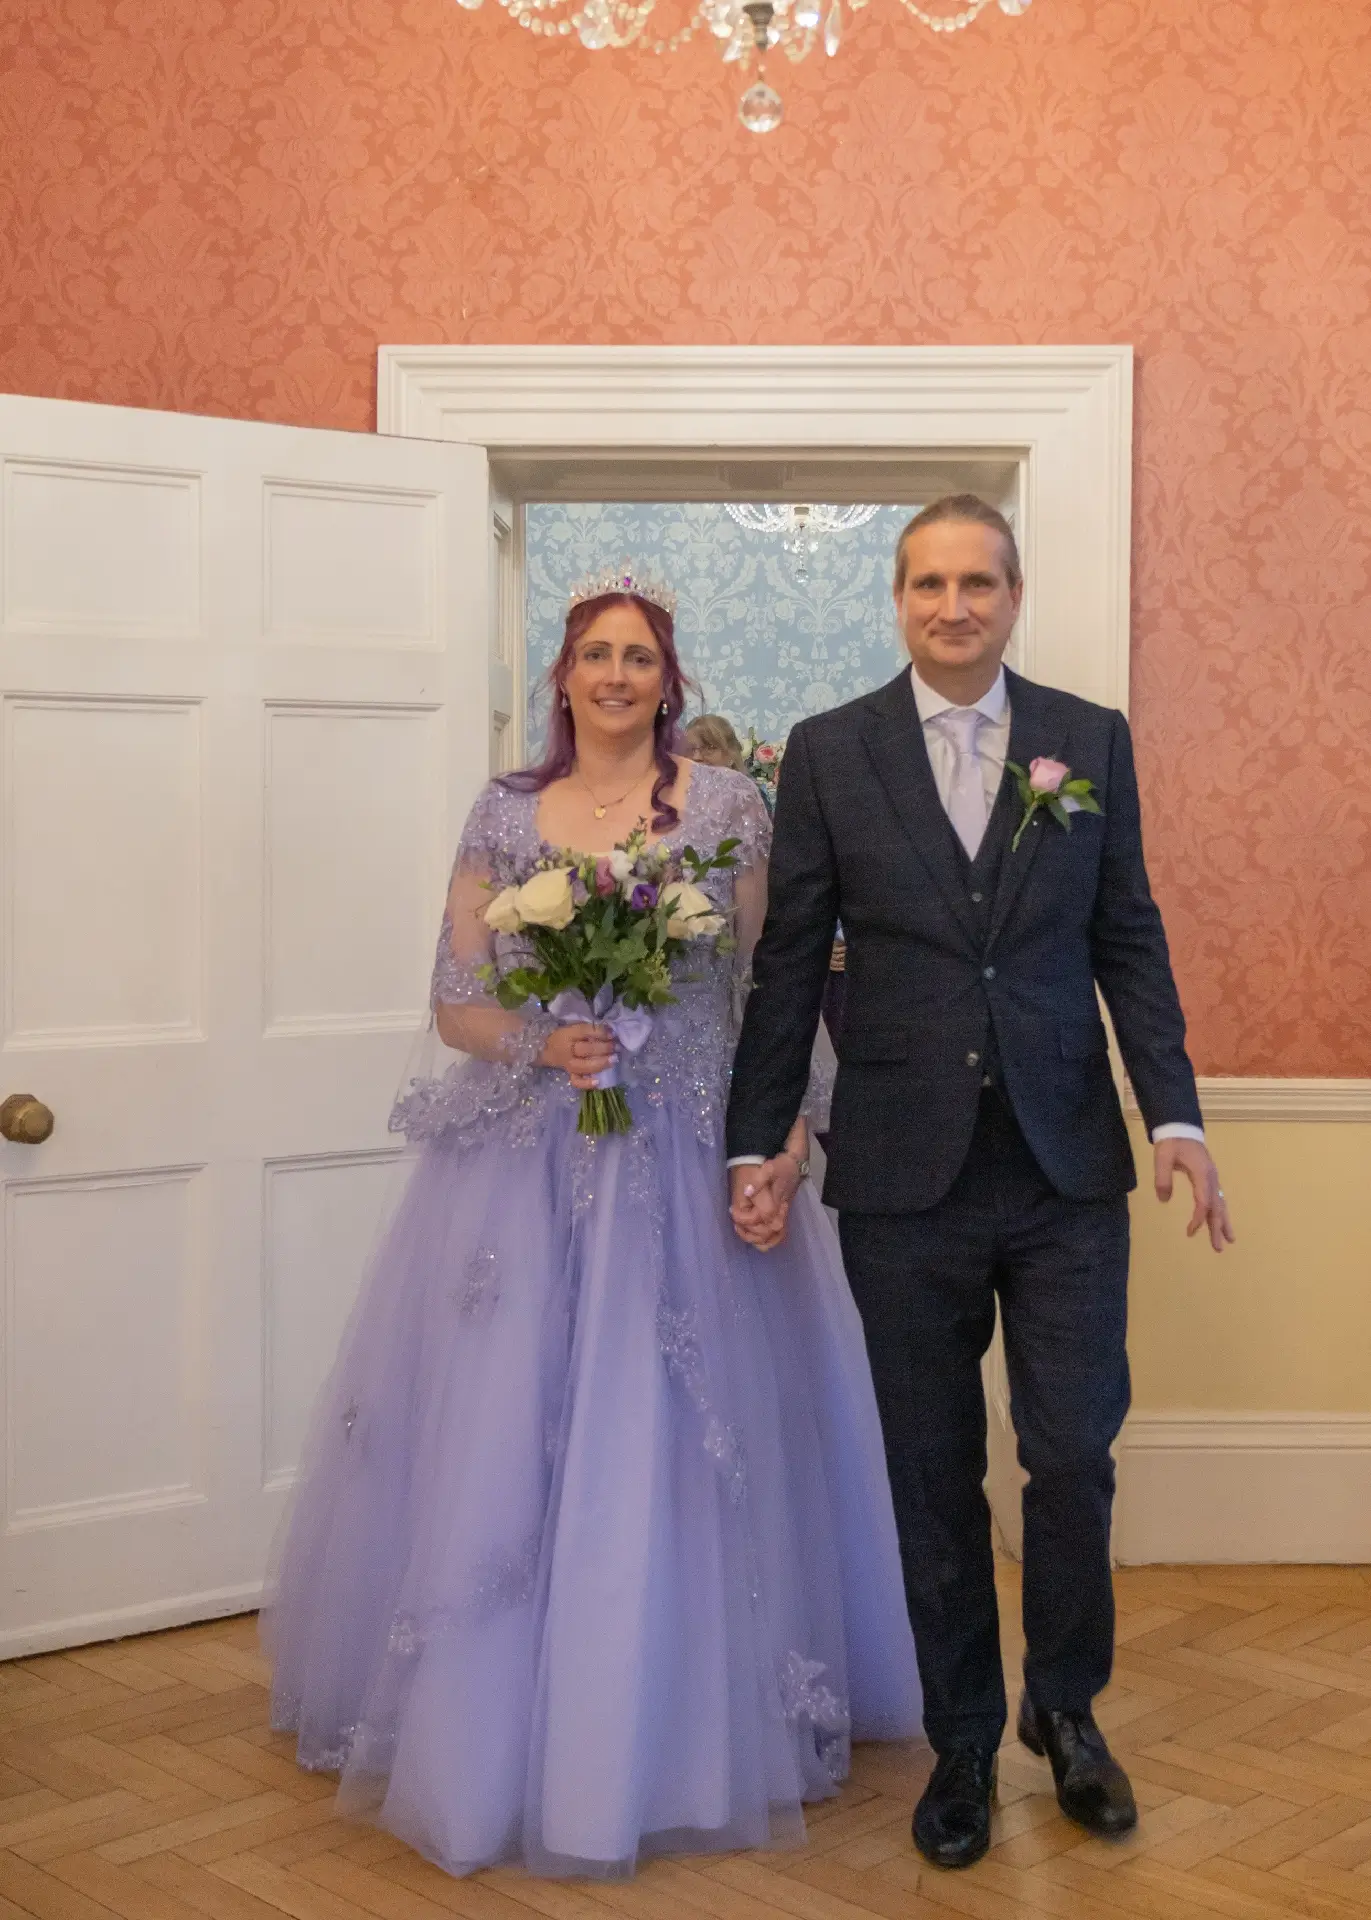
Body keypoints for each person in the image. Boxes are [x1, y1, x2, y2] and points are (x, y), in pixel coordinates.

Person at [263, 566, 921, 1879]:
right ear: (561, 674)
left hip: (683, 1153)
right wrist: (539, 1036)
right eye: (594, 655)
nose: (616, 676)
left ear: (667, 680)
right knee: (508, 1431)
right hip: (529, 1160)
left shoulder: (725, 804)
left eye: (638, 657)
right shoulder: (507, 811)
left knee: (678, 1425)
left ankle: (671, 1722)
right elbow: (457, 1001)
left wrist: (782, 1140)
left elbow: (766, 996)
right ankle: (495, 1728)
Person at [725, 497, 1235, 1871]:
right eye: (927, 584)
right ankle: (959, 1738)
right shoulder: (830, 754)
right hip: (899, 1173)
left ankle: (1060, 1712)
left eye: (977, 582)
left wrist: (1173, 1115)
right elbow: (789, 968)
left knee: (1068, 1455)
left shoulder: (1089, 740)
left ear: (1012, 595)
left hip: (1065, 1165)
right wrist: (751, 1137)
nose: (952, 605)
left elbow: (1125, 937)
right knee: (930, 1468)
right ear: (894, 600)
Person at [683, 711, 747, 770]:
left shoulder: (746, 782)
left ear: (731, 754)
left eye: (709, 748)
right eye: (690, 749)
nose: (696, 757)